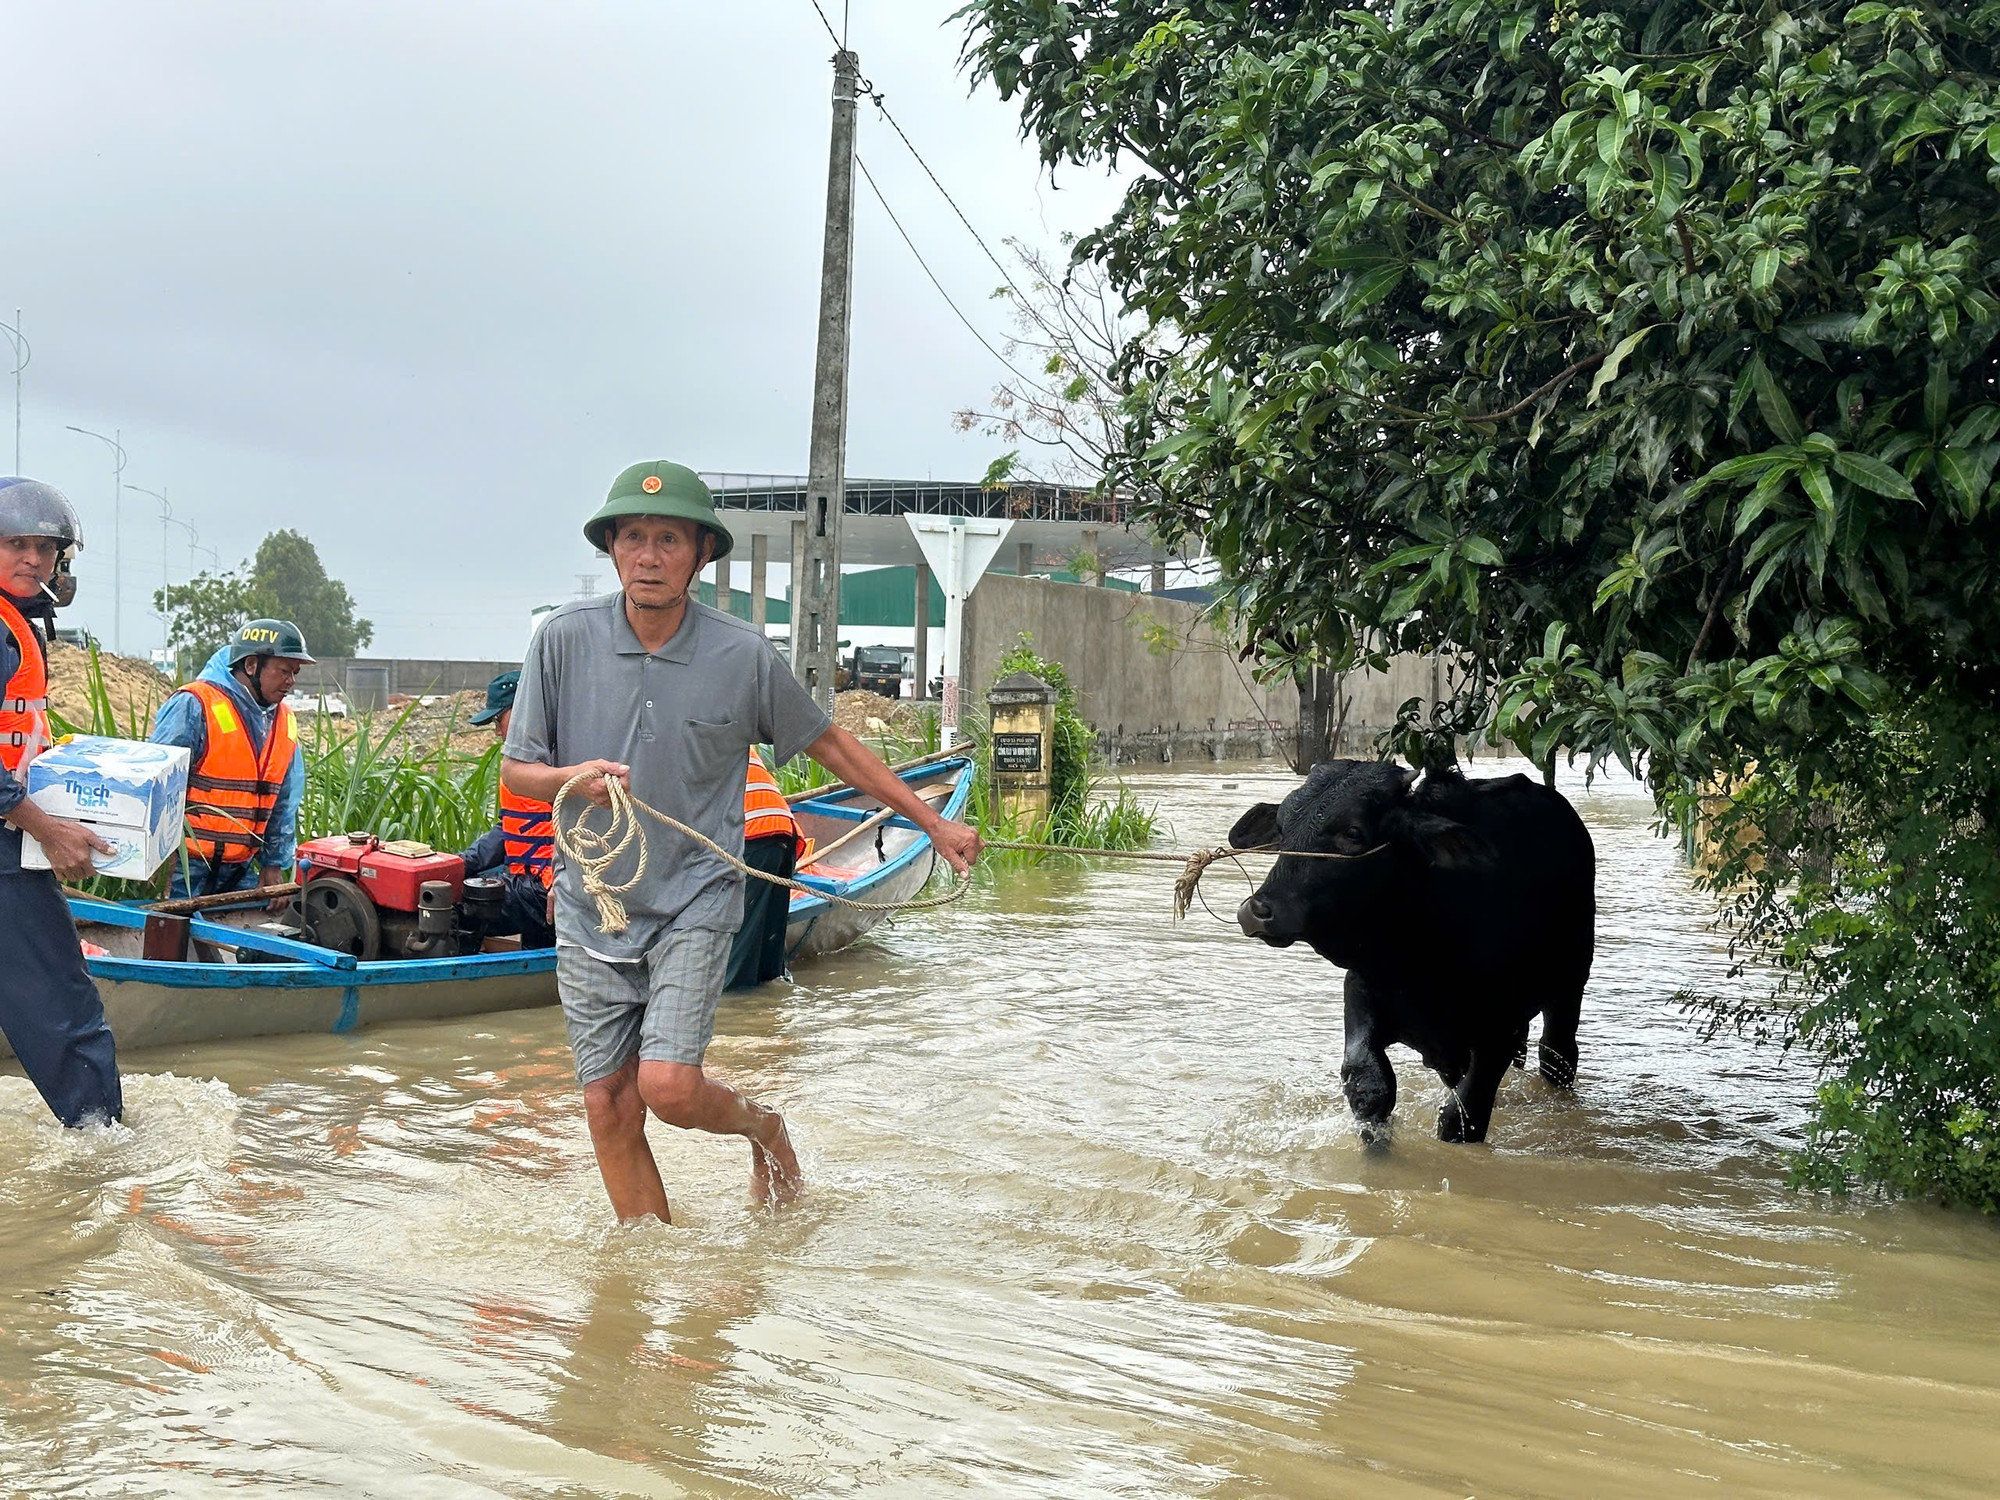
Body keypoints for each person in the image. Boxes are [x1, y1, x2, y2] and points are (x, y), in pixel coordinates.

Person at [501, 460, 981, 1222]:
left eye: (668, 539)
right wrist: (575, 778)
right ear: (613, 549)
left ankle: (765, 1129)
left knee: (669, 1088)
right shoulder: (562, 641)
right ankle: (647, 1284)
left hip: (697, 894)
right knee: (608, 1105)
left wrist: (932, 821)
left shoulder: (741, 654)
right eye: (633, 538)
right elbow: (519, 770)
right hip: (594, 904)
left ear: (700, 555)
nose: (649, 555)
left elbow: (830, 746)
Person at [0, 477, 123, 1127]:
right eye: (14, 544)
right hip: (5, 847)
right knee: (67, 1012)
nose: (32, 559)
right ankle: (104, 1163)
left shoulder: (18, 628)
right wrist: (48, 829)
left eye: (44, 549)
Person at [150, 619, 310, 902]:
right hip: (184, 869)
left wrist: (273, 864)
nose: (291, 682)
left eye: (295, 672)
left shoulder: (283, 721)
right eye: (284, 670)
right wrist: (160, 863)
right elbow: (157, 786)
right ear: (251, 666)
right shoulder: (194, 703)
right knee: (172, 943)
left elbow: (282, 801)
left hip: (239, 869)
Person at [455, 669, 555, 949]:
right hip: (526, 879)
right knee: (461, 883)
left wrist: (563, 880)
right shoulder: (517, 765)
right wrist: (460, 864)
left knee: (458, 905)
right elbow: (508, 829)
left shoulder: (561, 754)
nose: (498, 731)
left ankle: (454, 982)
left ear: (524, 707)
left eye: (499, 719)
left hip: (550, 886)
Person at [723, 745, 807, 992]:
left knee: (736, 947)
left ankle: (738, 1013)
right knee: (770, 962)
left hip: (752, 835)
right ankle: (770, 1011)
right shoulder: (730, 736)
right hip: (782, 833)